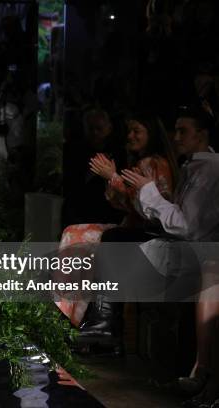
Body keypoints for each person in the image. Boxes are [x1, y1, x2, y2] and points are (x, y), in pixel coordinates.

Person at [122, 106, 219, 406]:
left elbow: (187, 226)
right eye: (175, 130)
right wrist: (135, 190)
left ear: (202, 135)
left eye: (183, 131)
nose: (176, 137)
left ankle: (202, 370)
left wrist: (147, 191)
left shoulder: (210, 169)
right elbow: (170, 218)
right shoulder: (192, 166)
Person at [57, 114, 178, 328]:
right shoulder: (142, 162)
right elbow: (126, 204)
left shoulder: (155, 163)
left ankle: (80, 315)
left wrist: (113, 177)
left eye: (137, 131)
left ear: (151, 134)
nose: (130, 136)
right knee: (72, 232)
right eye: (129, 131)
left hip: (149, 231)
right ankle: (70, 312)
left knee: (77, 236)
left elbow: (150, 208)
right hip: (133, 225)